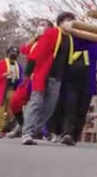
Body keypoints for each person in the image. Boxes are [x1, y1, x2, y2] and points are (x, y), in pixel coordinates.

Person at [22, 12, 76, 145]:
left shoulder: (70, 38)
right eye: (67, 20)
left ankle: (34, 130)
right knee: (35, 103)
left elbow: (67, 60)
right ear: (61, 22)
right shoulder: (52, 33)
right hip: (43, 74)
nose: (70, 23)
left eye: (72, 20)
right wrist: (29, 70)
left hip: (57, 78)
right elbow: (38, 51)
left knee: (49, 108)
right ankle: (27, 132)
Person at [51, 38, 97, 146]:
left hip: (88, 82)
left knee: (82, 110)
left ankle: (75, 135)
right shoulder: (72, 41)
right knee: (70, 107)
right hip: (71, 81)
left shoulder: (94, 44)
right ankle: (67, 133)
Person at [7, 19, 54, 139]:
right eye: (39, 24)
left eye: (43, 25)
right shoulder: (36, 41)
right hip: (29, 78)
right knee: (15, 102)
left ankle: (33, 131)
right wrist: (35, 37)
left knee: (36, 106)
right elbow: (24, 50)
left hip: (42, 76)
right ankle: (23, 126)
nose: (40, 26)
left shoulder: (51, 40)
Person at [0, 47, 23, 138]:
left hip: (13, 89)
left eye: (16, 52)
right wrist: (4, 75)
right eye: (12, 52)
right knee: (0, 109)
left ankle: (8, 129)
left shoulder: (19, 66)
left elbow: (20, 79)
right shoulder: (1, 63)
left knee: (12, 110)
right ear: (8, 53)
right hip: (2, 88)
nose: (14, 54)